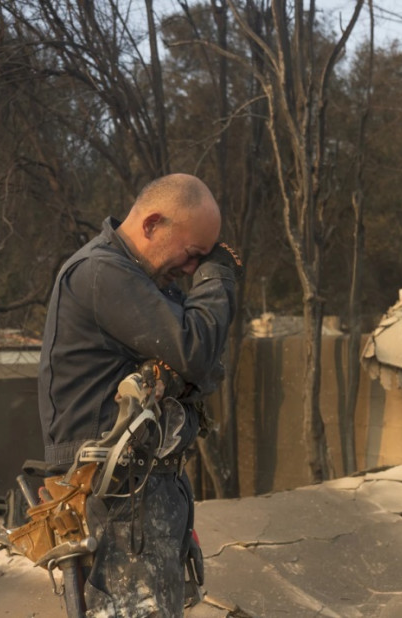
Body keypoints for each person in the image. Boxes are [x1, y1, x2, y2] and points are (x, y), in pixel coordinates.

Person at [37, 173, 241, 617]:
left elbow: (208, 368)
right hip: (120, 498)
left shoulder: (139, 278)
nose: (191, 270)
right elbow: (195, 351)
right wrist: (217, 277)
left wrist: (187, 369)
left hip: (144, 492)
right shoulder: (103, 273)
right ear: (152, 225)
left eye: (201, 261)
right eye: (192, 256)